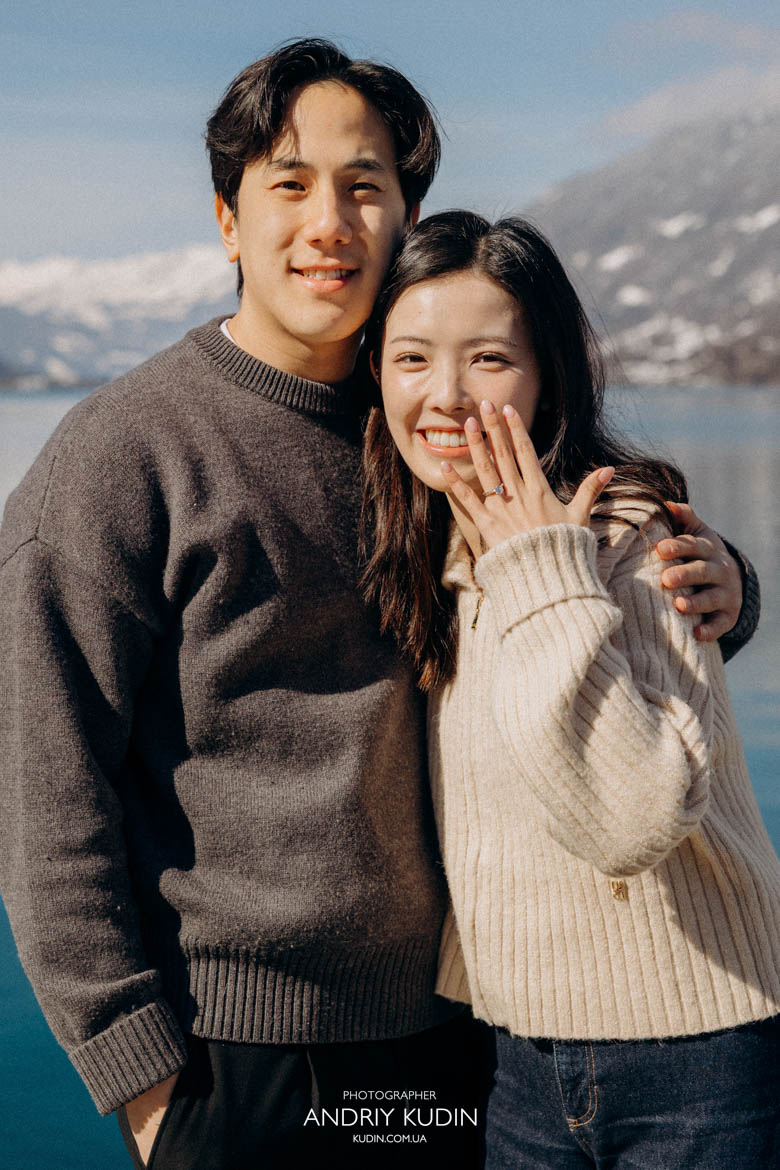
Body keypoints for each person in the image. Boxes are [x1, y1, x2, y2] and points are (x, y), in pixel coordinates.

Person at [0, 42, 758, 1170]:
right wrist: (142, 1082)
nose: (330, 221)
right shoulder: (122, 454)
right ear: (226, 220)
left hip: (460, 1037)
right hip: (248, 1061)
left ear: (406, 215)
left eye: (365, 186)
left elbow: (579, 530)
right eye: (290, 183)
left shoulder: (422, 408)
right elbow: (44, 785)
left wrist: (725, 583)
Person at [361, 209, 780, 1169]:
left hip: (692, 1058)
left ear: (549, 371)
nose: (447, 396)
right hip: (515, 1059)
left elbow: (632, 821)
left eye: (491, 361)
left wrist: (547, 570)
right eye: (412, 358)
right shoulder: (431, 548)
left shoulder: (619, 531)